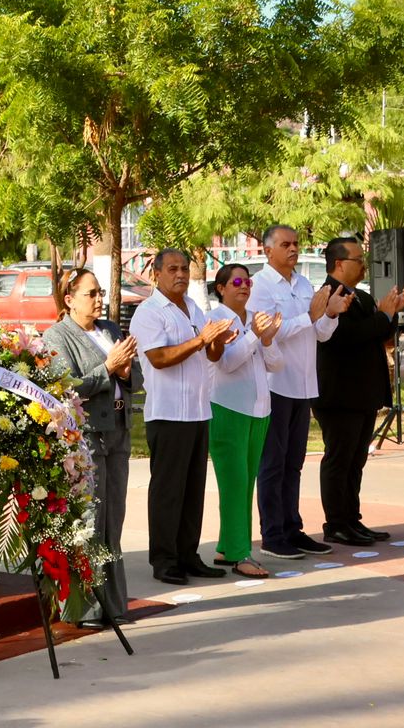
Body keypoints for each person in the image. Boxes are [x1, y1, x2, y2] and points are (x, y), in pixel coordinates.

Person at [128, 247, 234, 586]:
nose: (181, 275)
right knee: (168, 491)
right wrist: (200, 340)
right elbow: (159, 358)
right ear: (156, 274)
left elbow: (212, 355)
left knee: (192, 490)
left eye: (185, 269)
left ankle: (188, 555)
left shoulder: (193, 307)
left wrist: (218, 340)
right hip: (168, 413)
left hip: (198, 410)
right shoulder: (149, 312)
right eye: (173, 269)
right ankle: (164, 559)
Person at [45, 266, 140, 623]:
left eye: (100, 292)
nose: (99, 299)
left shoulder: (110, 329)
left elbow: (135, 375)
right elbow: (65, 387)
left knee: (114, 518)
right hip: (86, 437)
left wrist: (126, 372)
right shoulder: (58, 336)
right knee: (90, 519)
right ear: (69, 299)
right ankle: (84, 607)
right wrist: (108, 368)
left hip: (118, 429)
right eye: (91, 294)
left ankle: (113, 605)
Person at [251, 224, 344, 559]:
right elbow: (270, 332)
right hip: (275, 384)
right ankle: (272, 533)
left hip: (303, 384)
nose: (293, 249)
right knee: (273, 463)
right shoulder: (260, 287)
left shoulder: (304, 283)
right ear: (267, 251)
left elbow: (320, 334)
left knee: (294, 463)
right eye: (285, 244)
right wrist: (309, 315)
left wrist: (329, 314)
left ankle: (293, 528)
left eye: (296, 243)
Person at [314, 236, 404, 546]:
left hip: (363, 393)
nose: (364, 264)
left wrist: (391, 314)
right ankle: (336, 523)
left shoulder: (361, 296)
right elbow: (345, 336)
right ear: (339, 263)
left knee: (356, 461)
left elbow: (379, 335)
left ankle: (351, 519)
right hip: (339, 394)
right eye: (358, 259)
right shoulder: (328, 296)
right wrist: (383, 316)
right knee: (340, 460)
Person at [204, 263, 283, 578]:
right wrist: (254, 336)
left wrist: (267, 339)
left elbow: (276, 364)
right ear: (221, 288)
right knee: (234, 483)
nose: (244, 286)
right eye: (237, 281)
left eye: (248, 281)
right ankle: (240, 554)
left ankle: (227, 546)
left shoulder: (255, 320)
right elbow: (226, 363)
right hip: (227, 409)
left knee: (246, 481)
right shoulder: (215, 319)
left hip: (258, 410)